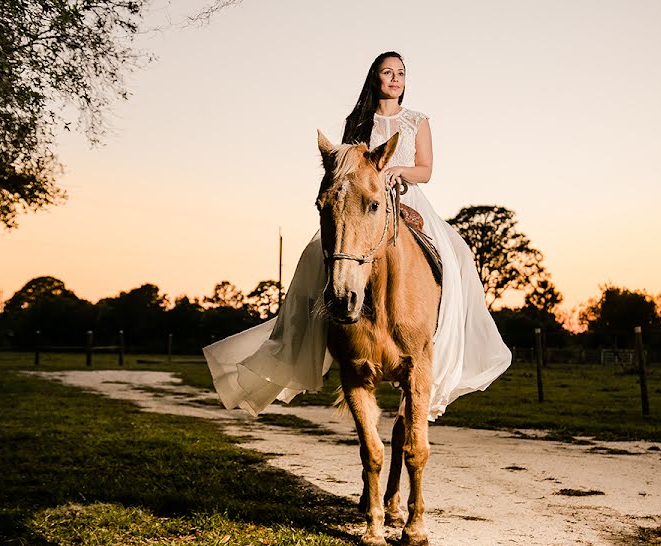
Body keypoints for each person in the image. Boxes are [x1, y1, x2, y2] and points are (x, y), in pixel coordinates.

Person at [203, 51, 511, 421]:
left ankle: (446, 338)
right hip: (363, 204)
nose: (395, 79)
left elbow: (426, 170)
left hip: (406, 195)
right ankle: (313, 337)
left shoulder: (417, 120)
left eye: (400, 73)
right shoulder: (359, 121)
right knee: (316, 255)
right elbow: (346, 167)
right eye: (387, 72)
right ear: (375, 77)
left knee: (457, 252)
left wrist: (397, 169)